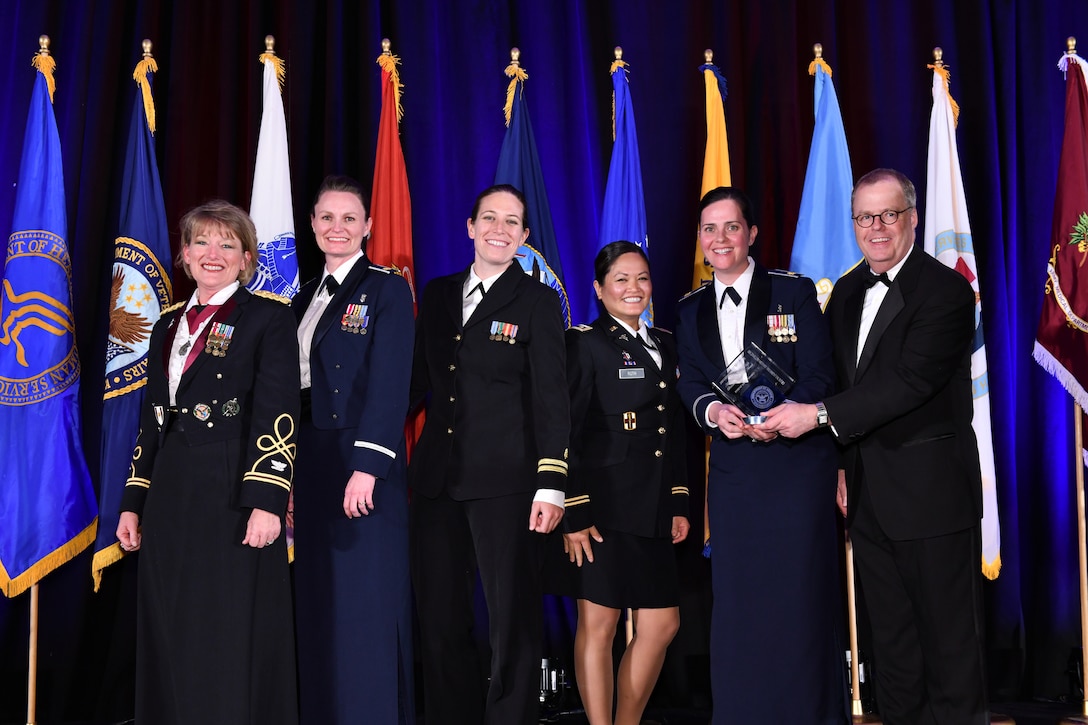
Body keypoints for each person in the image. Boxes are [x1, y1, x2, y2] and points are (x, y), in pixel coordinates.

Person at [763, 168, 987, 724]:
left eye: (889, 215)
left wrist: (814, 416)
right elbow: (842, 382)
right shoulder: (845, 291)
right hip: (866, 496)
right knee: (892, 651)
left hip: (931, 498)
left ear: (912, 218)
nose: (876, 228)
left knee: (950, 647)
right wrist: (840, 462)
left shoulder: (948, 290)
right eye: (865, 217)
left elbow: (909, 382)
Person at [116, 200, 299, 725]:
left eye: (226, 244)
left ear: (246, 258)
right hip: (171, 492)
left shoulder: (268, 317)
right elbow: (151, 419)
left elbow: (277, 411)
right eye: (201, 242)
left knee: (224, 625)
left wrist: (267, 500)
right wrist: (134, 501)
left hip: (230, 489)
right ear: (185, 254)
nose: (212, 253)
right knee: (172, 619)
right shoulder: (166, 325)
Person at [674, 187, 847, 724]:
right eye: (709, 229)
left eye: (731, 227)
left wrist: (791, 412)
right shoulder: (688, 309)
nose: (719, 239)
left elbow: (822, 369)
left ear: (751, 233)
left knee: (799, 598)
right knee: (741, 605)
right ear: (700, 240)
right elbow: (691, 382)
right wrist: (713, 414)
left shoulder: (791, 292)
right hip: (735, 473)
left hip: (797, 468)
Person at [408, 183, 569, 725]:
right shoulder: (436, 293)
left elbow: (552, 396)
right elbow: (415, 384)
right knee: (440, 619)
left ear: (524, 236)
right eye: (490, 219)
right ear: (470, 226)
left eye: (512, 222)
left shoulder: (539, 301)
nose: (499, 230)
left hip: (508, 483)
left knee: (512, 621)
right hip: (436, 483)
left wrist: (551, 482)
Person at [290, 175, 416, 724]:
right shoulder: (300, 299)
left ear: (368, 226)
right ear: (313, 225)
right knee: (322, 602)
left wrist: (367, 466)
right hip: (312, 462)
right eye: (326, 217)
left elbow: (392, 386)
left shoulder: (386, 290)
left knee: (366, 602)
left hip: (363, 461)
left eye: (349, 218)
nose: (336, 228)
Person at [559, 241, 690, 725]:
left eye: (641, 279)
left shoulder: (666, 342)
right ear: (598, 288)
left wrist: (678, 499)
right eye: (621, 279)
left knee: (662, 623)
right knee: (600, 623)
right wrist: (573, 509)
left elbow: (672, 429)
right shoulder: (584, 343)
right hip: (602, 506)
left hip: (653, 504)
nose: (633, 289)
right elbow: (563, 428)